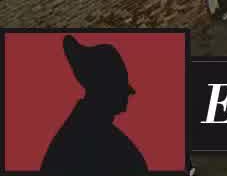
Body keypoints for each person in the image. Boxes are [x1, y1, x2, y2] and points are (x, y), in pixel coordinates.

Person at [40, 36, 149, 174]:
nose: (127, 96)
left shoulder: (86, 129)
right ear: (106, 89)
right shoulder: (85, 137)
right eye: (119, 88)